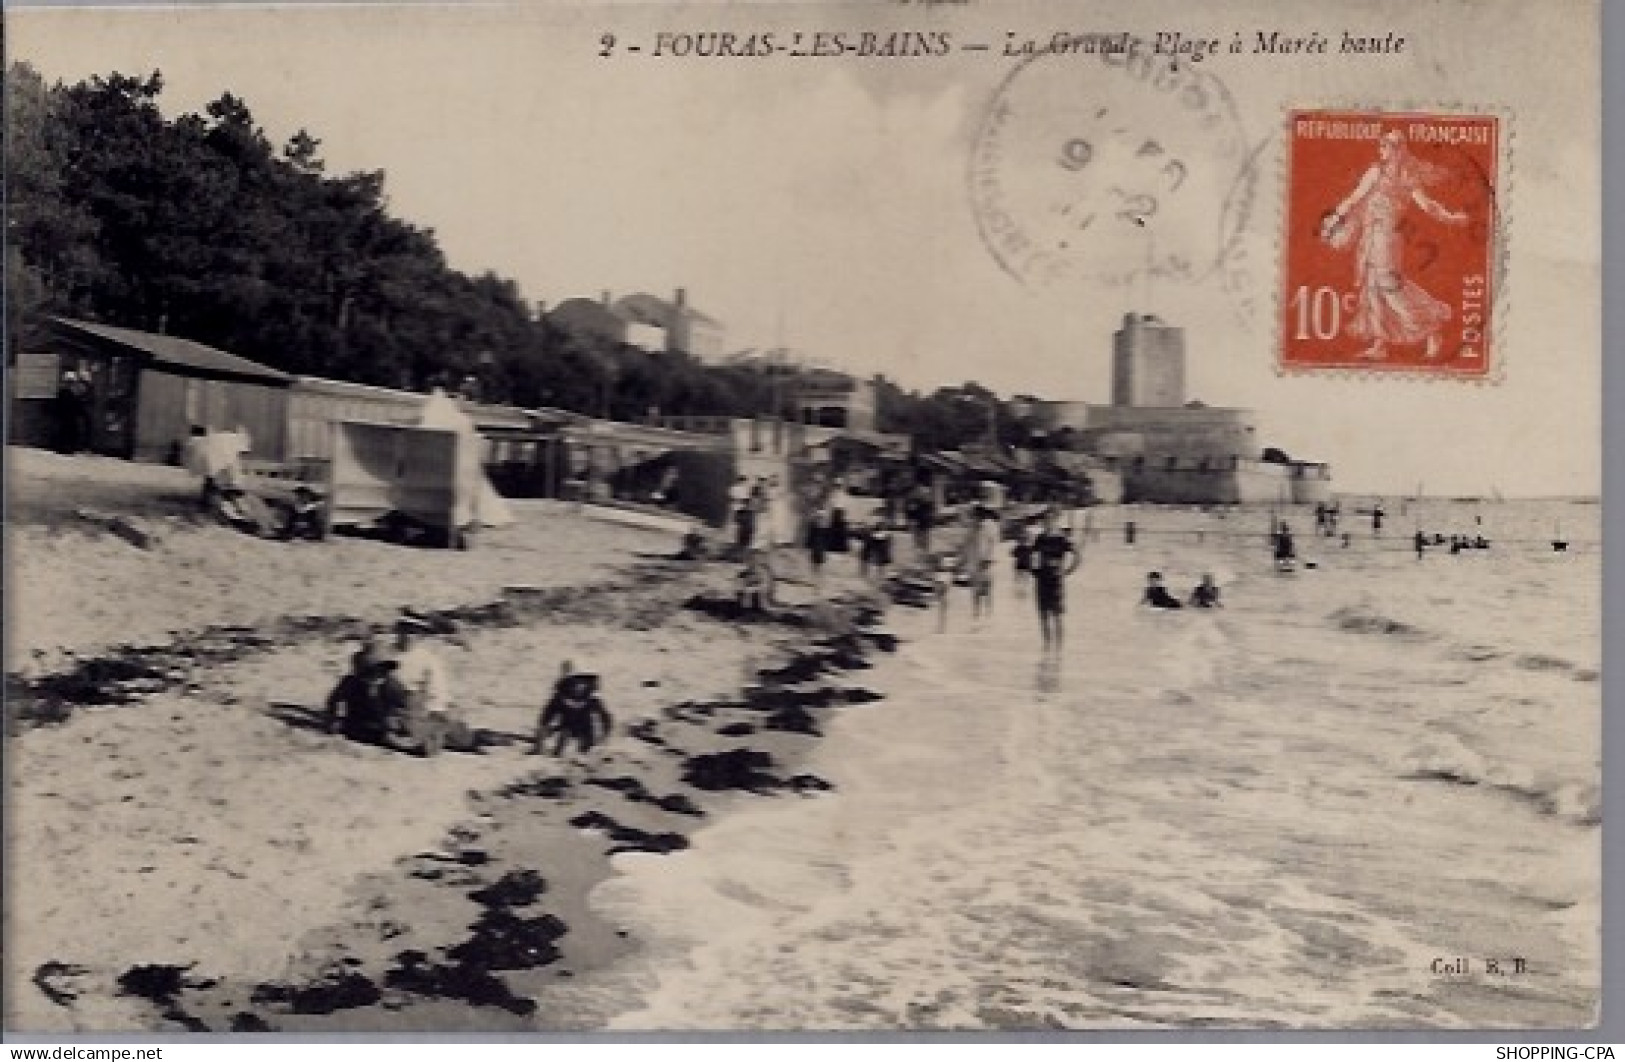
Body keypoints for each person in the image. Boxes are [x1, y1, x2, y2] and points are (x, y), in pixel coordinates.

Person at [1319, 128, 1469, 361]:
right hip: (1371, 235)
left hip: (1387, 237)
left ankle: (1432, 328)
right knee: (1372, 288)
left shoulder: (1407, 177)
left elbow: (1428, 206)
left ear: (1397, 150)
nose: (1381, 150)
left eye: (1385, 146)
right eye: (1381, 146)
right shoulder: (1377, 173)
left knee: (1390, 287)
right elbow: (1354, 198)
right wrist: (1335, 220)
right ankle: (1380, 344)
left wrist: (1451, 218)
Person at [390, 614, 452, 757]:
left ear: (420, 636)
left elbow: (437, 691)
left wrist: (433, 711)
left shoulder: (427, 659)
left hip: (415, 709)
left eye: (414, 633)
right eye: (405, 631)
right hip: (388, 706)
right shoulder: (386, 653)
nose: (409, 636)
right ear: (398, 631)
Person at [325, 637, 399, 745]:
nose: (381, 674)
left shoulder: (390, 685)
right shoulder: (351, 682)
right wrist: (335, 719)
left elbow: (396, 708)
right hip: (356, 726)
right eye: (377, 669)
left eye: (384, 670)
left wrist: (391, 722)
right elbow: (334, 701)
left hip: (381, 728)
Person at [535, 664, 613, 757]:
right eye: (577, 681)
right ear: (570, 682)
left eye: (584, 682)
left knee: (586, 747)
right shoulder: (560, 697)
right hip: (565, 727)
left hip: (585, 730)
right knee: (563, 736)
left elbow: (605, 718)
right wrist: (543, 730)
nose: (581, 685)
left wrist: (604, 736)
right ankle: (556, 753)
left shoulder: (592, 699)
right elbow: (547, 714)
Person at [1030, 508, 1080, 652]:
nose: (1047, 522)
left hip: (1055, 580)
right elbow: (1033, 556)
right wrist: (1034, 571)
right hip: (1041, 580)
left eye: (1050, 519)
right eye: (1045, 520)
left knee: (1057, 615)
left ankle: (1059, 650)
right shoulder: (1040, 538)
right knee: (1043, 615)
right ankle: (1046, 647)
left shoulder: (1061, 538)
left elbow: (1077, 555)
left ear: (1056, 520)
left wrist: (1068, 571)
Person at [736, 547, 776, 612]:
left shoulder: (763, 570)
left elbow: (765, 584)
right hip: (758, 587)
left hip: (763, 588)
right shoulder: (748, 571)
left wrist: (751, 588)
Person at [859, 517, 893, 582]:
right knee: (880, 563)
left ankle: (866, 574)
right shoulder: (885, 535)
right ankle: (877, 576)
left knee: (878, 562)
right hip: (879, 551)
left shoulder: (873, 535)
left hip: (876, 550)